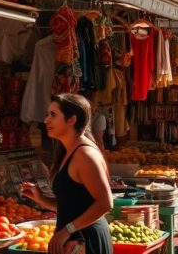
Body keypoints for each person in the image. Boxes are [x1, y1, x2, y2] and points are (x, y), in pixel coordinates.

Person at [21, 94, 113, 254]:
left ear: (72, 120)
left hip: (87, 241)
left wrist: (66, 230)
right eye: (48, 114)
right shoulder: (68, 150)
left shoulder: (84, 155)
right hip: (75, 241)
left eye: (53, 115)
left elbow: (105, 204)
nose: (46, 120)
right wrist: (40, 198)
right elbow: (72, 205)